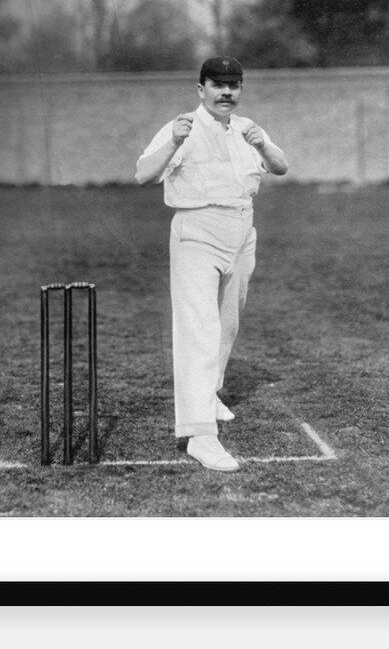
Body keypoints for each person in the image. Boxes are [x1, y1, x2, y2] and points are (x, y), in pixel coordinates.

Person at [135, 56, 288, 472]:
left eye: (233, 85)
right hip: (198, 230)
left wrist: (262, 144)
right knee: (198, 329)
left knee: (228, 321)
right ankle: (200, 435)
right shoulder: (181, 126)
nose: (226, 92)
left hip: (242, 229)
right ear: (200, 89)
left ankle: (211, 393)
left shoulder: (247, 128)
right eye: (218, 85)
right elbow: (143, 174)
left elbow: (280, 167)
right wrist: (173, 142)